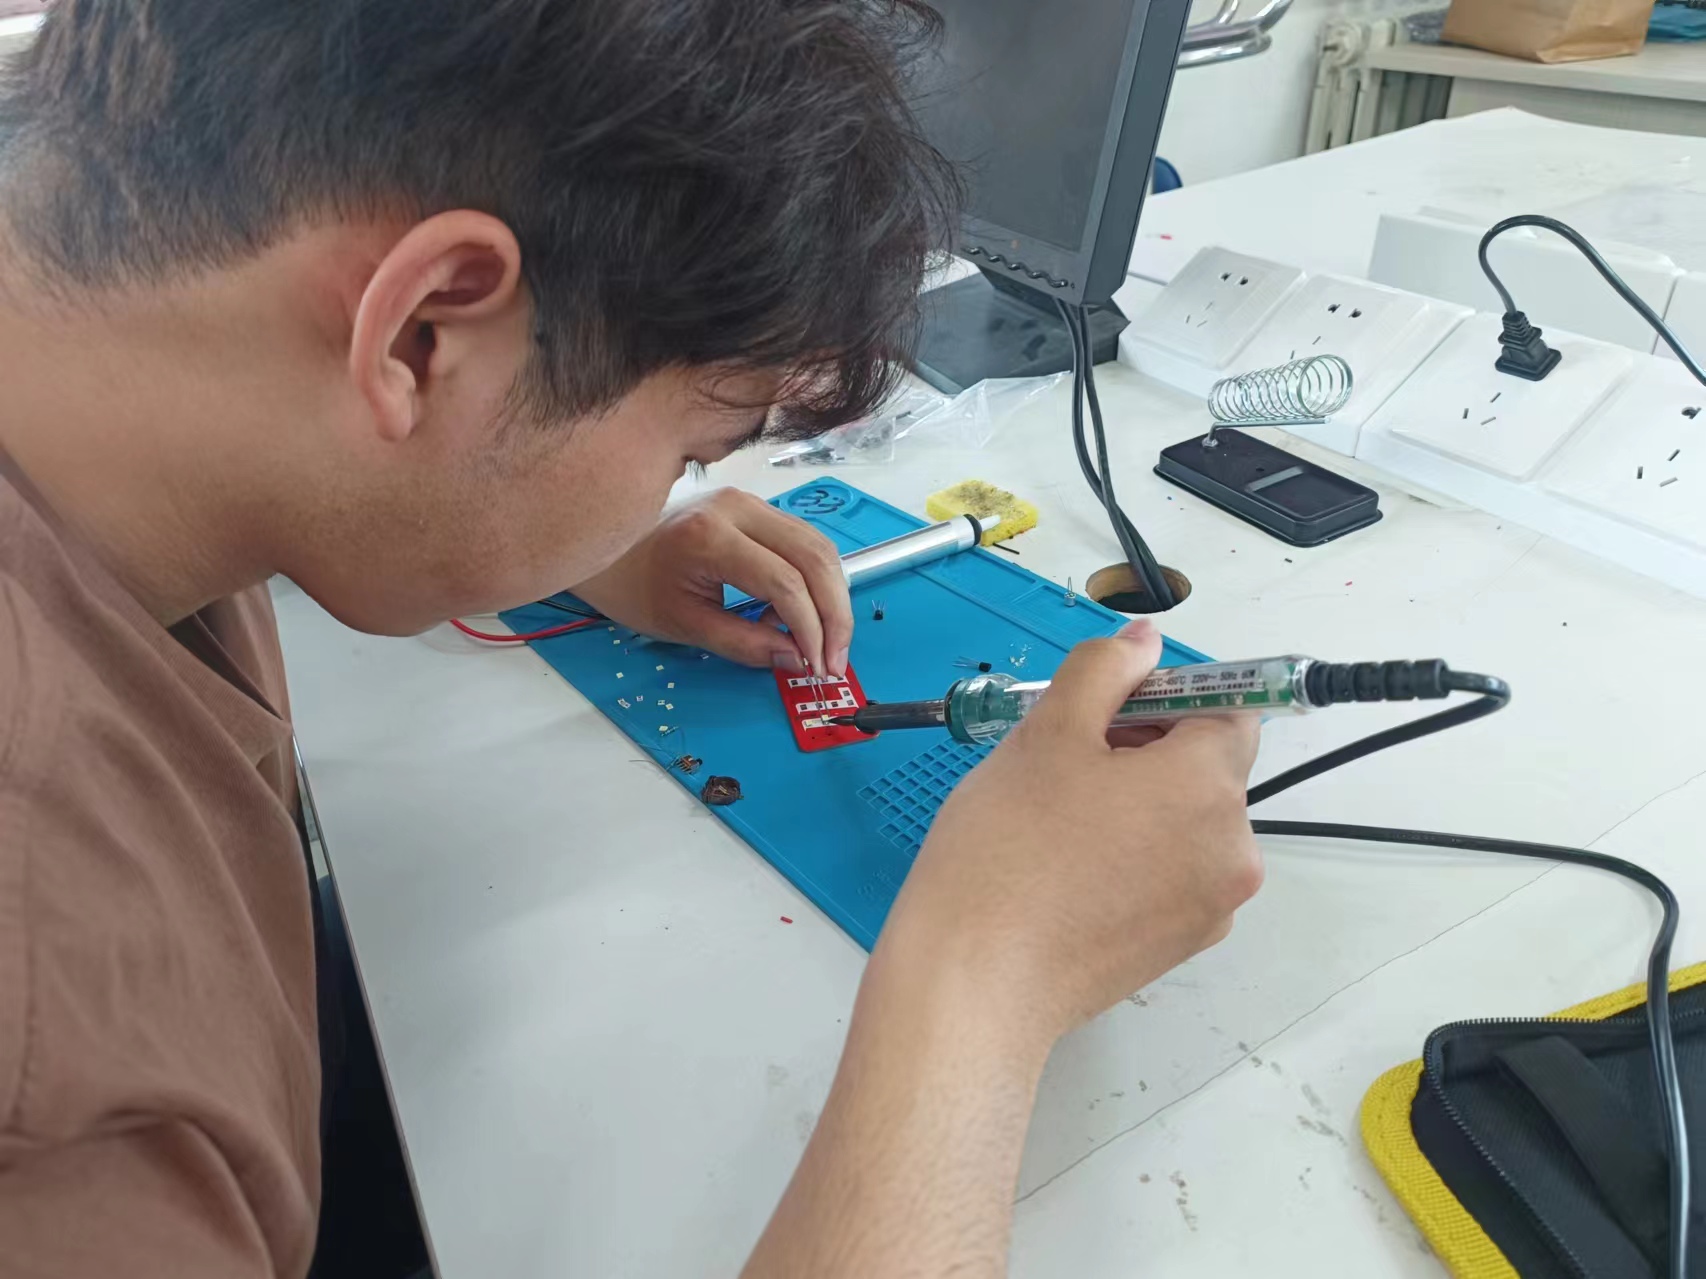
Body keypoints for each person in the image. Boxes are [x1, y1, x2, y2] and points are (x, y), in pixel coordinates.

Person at [0, 2, 1263, 1276]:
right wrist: (988, 971)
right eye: (694, 449)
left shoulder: (108, 374)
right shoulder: (64, 1112)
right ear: (426, 332)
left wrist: (538, 519)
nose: (682, 488)